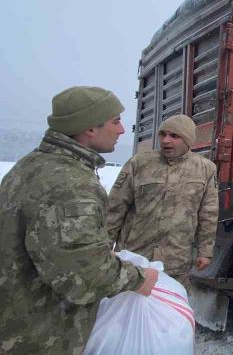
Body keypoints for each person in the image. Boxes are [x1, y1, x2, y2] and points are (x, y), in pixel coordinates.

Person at [0, 86, 159, 355]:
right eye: (115, 121)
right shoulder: (70, 184)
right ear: (89, 128)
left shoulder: (32, 165)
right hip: (39, 336)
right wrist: (138, 278)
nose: (122, 130)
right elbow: (84, 276)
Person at [106, 114, 219, 289]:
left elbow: (208, 213)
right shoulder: (139, 163)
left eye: (174, 136)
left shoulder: (205, 169)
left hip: (176, 262)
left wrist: (205, 251)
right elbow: (114, 208)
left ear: (188, 140)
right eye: (163, 134)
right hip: (134, 259)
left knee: (170, 311)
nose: (166, 141)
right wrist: (104, 247)